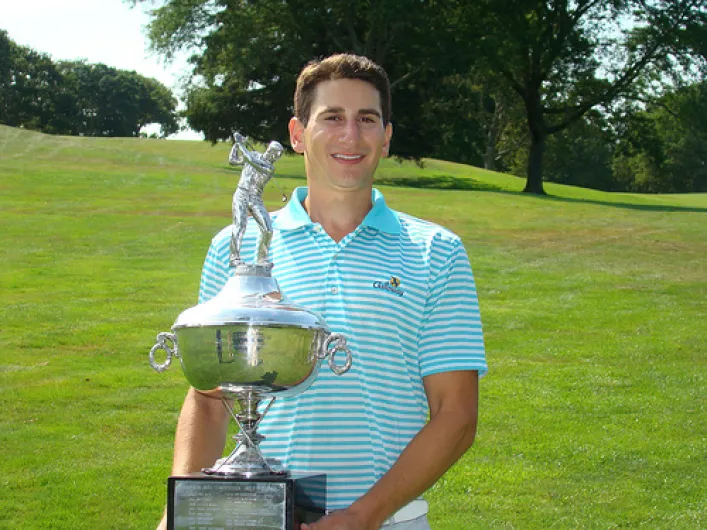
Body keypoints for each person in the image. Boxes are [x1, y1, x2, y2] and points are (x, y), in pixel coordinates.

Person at [157, 53, 487, 530]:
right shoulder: (236, 247)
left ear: (386, 138)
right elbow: (210, 398)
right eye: (332, 117)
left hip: (389, 522)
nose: (350, 136)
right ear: (297, 134)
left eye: (366, 120)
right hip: (255, 519)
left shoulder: (436, 252)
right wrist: (177, 516)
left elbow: (456, 415)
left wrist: (363, 516)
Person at [228, 132, 284, 266]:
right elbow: (233, 160)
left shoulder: (269, 168)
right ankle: (234, 257)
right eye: (276, 153)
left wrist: (241, 144)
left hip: (255, 198)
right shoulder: (253, 155)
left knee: (267, 229)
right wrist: (236, 145)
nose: (277, 157)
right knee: (239, 225)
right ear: (270, 150)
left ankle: (262, 259)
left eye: (279, 156)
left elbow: (251, 161)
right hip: (241, 193)